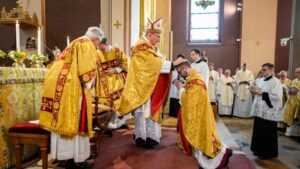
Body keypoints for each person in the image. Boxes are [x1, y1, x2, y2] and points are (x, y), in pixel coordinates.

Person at [39, 27, 104, 169]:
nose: (97, 46)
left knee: (62, 120)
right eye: (98, 44)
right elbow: (87, 72)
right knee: (75, 120)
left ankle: (63, 156)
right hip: (71, 88)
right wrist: (89, 85)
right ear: (96, 39)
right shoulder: (87, 44)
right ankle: (76, 158)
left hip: (57, 86)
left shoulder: (74, 43)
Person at [118, 18, 184, 148]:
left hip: (148, 84)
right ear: (149, 34)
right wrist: (173, 64)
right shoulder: (142, 46)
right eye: (157, 36)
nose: (158, 39)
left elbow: (154, 63)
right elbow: (152, 64)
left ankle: (148, 136)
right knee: (143, 111)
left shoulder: (149, 47)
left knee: (147, 111)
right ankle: (141, 137)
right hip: (141, 86)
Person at [175, 60, 232, 169]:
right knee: (204, 137)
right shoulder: (193, 78)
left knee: (204, 138)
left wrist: (181, 89)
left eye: (179, 72)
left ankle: (222, 156)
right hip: (200, 112)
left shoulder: (196, 81)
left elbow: (191, 101)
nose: (180, 75)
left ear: (185, 69)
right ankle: (222, 153)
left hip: (200, 115)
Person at [95, 37, 130, 129]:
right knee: (106, 102)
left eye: (102, 48)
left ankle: (120, 122)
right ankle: (107, 123)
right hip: (103, 82)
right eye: (99, 48)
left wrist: (115, 70)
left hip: (116, 80)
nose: (101, 50)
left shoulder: (117, 51)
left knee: (119, 102)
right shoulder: (97, 53)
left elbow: (125, 63)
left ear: (107, 44)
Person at [250, 63, 283, 159]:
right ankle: (258, 150)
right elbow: (256, 90)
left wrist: (262, 93)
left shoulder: (275, 82)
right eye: (262, 69)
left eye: (264, 70)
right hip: (260, 111)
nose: (262, 71)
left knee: (267, 132)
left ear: (271, 71)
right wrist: (253, 90)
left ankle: (268, 153)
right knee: (258, 130)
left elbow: (277, 96)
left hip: (268, 112)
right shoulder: (260, 80)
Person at [283, 68, 300, 137]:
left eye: (298, 72)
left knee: (297, 116)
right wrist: (288, 91)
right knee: (290, 115)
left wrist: (297, 92)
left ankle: (297, 133)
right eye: (296, 72)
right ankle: (291, 133)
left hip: (298, 101)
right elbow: (289, 89)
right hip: (292, 99)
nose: (297, 73)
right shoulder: (294, 80)